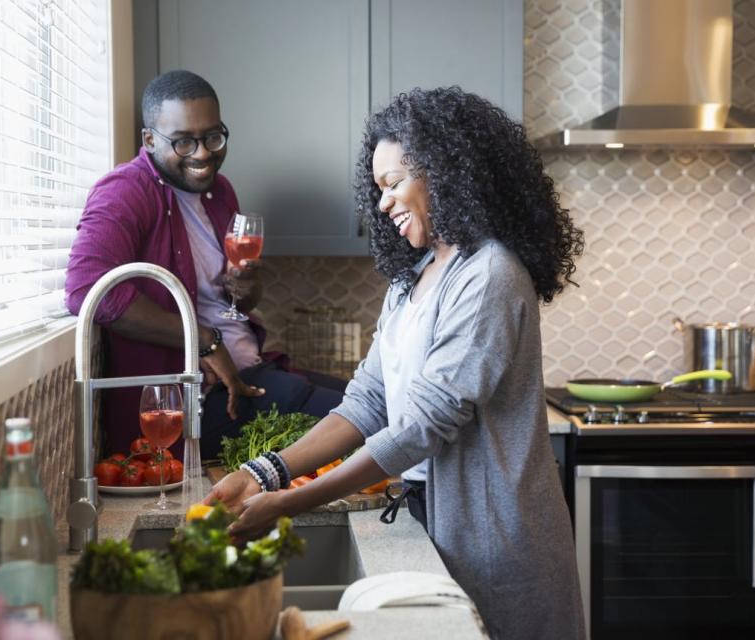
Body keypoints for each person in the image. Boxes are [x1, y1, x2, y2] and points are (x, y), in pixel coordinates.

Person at [204, 86, 587, 640]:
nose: (382, 203)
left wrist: (289, 502)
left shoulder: (490, 276)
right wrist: (261, 472)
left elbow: (421, 427)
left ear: (447, 171)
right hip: (429, 524)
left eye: (393, 183)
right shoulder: (412, 279)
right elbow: (366, 403)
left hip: (494, 537)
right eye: (378, 187)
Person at [65, 70, 345, 460]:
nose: (202, 153)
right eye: (183, 142)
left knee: (369, 398)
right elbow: (86, 289)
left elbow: (234, 301)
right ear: (149, 140)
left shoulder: (218, 190)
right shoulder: (125, 191)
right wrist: (203, 339)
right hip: (197, 403)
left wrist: (247, 291)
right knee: (370, 418)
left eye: (213, 137)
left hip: (253, 371)